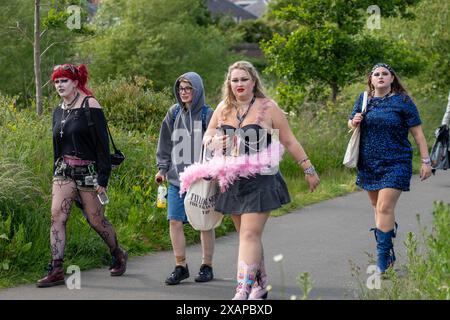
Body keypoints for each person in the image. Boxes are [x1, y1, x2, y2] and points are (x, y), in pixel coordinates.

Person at [201, 61, 320, 300]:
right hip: (232, 181)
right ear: (229, 84)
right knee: (247, 236)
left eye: (244, 79)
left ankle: (242, 290)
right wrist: (213, 141)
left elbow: (289, 140)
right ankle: (260, 284)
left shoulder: (268, 107)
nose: (239, 84)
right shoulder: (224, 108)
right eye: (234, 80)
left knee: (248, 236)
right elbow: (208, 135)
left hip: (262, 179)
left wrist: (308, 168)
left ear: (253, 81)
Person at [37, 64, 127, 287]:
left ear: (75, 83)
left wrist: (103, 179)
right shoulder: (58, 110)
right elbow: (57, 145)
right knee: (57, 215)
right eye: (56, 81)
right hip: (64, 172)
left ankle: (117, 252)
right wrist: (55, 170)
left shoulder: (90, 105)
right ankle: (56, 268)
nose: (59, 85)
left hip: (89, 173)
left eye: (64, 80)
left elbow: (102, 145)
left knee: (96, 220)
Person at [348, 62, 432, 274]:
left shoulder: (403, 101)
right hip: (368, 163)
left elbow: (418, 135)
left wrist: (426, 161)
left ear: (392, 78)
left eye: (385, 73)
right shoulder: (364, 99)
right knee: (377, 207)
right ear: (371, 79)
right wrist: (354, 121)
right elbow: (351, 122)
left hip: (396, 162)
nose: (381, 76)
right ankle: (389, 251)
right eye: (376, 74)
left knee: (385, 208)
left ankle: (382, 261)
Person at [155, 72, 216, 285]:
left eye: (188, 89)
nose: (184, 93)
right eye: (181, 89)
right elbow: (164, 143)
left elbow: (217, 146)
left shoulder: (208, 115)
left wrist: (214, 171)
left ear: (197, 90)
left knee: (204, 223)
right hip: (176, 179)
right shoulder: (173, 114)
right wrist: (162, 169)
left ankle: (206, 265)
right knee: (174, 221)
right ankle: (180, 266)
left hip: (202, 180)